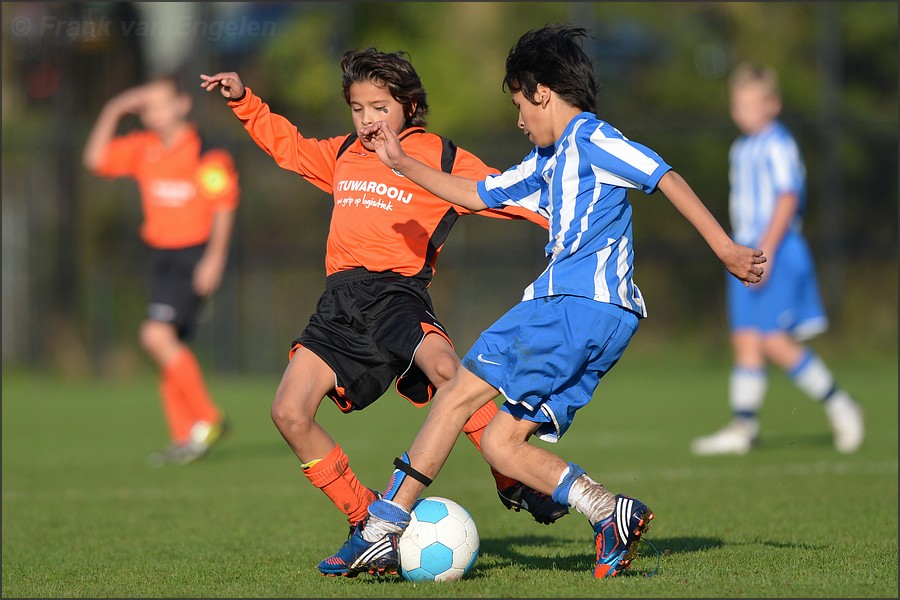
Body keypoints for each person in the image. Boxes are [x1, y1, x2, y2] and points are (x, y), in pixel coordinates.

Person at [318, 24, 766, 580]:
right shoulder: (546, 162)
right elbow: (475, 195)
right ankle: (608, 512)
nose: (518, 120)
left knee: (455, 396)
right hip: (609, 319)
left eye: (519, 105)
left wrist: (724, 248)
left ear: (541, 92)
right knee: (503, 444)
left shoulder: (590, 139)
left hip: (570, 302)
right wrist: (401, 162)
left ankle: (382, 530)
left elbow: (663, 175)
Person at [199, 48, 568, 576]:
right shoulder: (345, 151)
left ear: (409, 105)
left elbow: (508, 194)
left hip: (398, 296)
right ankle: (366, 521)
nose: (368, 119)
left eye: (379, 107)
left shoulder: (438, 156)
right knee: (288, 411)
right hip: (339, 306)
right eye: (358, 108)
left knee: (448, 371)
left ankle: (512, 477)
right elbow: (291, 148)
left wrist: (573, 221)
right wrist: (245, 102)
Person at [690, 63, 864, 456]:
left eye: (754, 103)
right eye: (739, 104)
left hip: (775, 250)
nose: (745, 112)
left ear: (773, 105)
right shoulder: (742, 147)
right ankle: (744, 426)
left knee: (774, 341)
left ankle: (842, 405)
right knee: (747, 340)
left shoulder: (778, 143)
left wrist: (764, 252)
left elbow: (787, 197)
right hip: (745, 251)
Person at [83, 74, 238, 466]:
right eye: (146, 104)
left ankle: (209, 418)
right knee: (169, 346)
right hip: (159, 257)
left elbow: (223, 205)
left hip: (192, 256)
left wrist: (214, 259)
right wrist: (114, 107)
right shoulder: (144, 148)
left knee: (155, 336)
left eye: (158, 103)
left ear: (182, 104)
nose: (151, 111)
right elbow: (94, 159)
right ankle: (186, 436)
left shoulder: (205, 151)